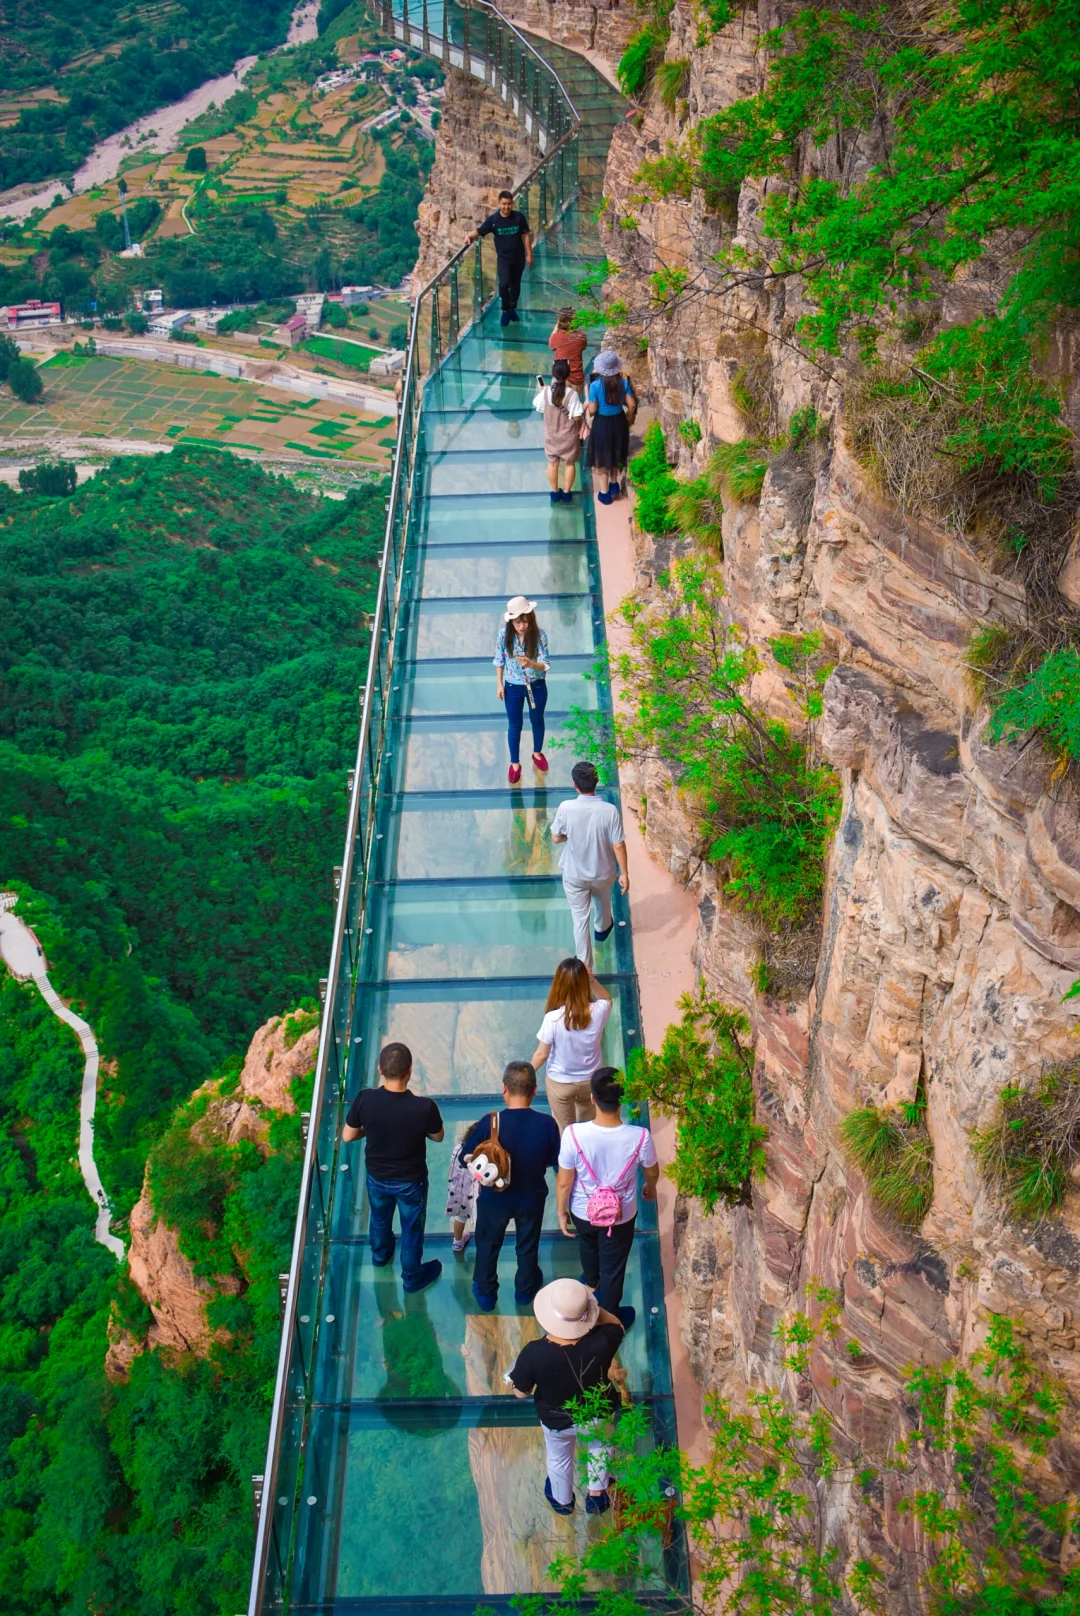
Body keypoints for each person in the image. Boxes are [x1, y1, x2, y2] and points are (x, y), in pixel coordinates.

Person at [507, 1276, 625, 1516]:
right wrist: (591, 1311)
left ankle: (562, 1502)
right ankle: (597, 1496)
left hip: (556, 1419)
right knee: (600, 1447)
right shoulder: (604, 1340)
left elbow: (521, 1393)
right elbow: (617, 1325)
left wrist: (514, 1381)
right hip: (598, 1412)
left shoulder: (534, 1352)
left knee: (559, 1459)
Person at [557, 1067, 659, 1325]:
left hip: (583, 1211)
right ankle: (609, 1318)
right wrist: (651, 1187)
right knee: (614, 1266)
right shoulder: (640, 1137)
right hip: (620, 1216)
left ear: (592, 1098)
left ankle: (591, 1282)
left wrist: (561, 1210)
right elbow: (652, 1171)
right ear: (622, 1099)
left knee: (588, 1244)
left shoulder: (573, 1134)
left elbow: (565, 1181)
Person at [342, 1042, 444, 1294]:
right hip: (411, 1181)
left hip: (377, 1177)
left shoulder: (365, 1099)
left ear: (380, 1069)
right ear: (410, 1071)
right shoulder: (424, 1107)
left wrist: (370, 1128)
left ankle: (380, 1256)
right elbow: (438, 1136)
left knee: (379, 1219)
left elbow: (347, 1135)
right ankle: (411, 1278)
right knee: (411, 1229)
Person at [459, 1060, 561, 1311]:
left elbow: (465, 1158)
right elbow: (554, 1161)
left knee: (487, 1244)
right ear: (534, 1090)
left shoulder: (490, 1123)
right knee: (527, 1246)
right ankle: (525, 1292)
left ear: (504, 1088)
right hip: (531, 1197)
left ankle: (485, 1294)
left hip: (494, 1200)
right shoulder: (547, 1124)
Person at [550, 760, 629, 967]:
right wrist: (625, 874)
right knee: (603, 904)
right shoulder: (609, 810)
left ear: (575, 785)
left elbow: (556, 837)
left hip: (574, 874)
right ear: (597, 781)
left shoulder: (566, 808)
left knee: (580, 919)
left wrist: (570, 835)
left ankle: (585, 965)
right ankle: (602, 932)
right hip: (603, 872)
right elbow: (618, 844)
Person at [531, 956, 612, 1135]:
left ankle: (568, 1161)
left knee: (565, 1131)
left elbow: (541, 1055)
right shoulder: (599, 1011)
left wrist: (526, 1073)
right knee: (586, 1128)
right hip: (590, 1080)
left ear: (559, 984)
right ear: (584, 983)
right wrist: (590, 978)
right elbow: (606, 998)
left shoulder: (552, 1019)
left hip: (560, 1083)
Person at [495, 594, 549, 784]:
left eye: (524, 621)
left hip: (536, 685)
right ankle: (515, 763)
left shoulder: (540, 635)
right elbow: (499, 660)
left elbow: (545, 664)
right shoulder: (504, 636)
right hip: (513, 686)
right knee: (515, 725)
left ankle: (537, 753)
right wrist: (499, 684)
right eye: (518, 622)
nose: (522, 626)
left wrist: (531, 664)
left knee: (537, 720)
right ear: (512, 622)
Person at [466, 189, 533, 328]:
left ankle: (512, 310)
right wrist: (469, 237)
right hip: (504, 259)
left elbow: (525, 235)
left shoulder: (519, 218)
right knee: (503, 284)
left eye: (509, 204)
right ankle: (505, 309)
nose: (506, 207)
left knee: (515, 285)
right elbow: (480, 231)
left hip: (519, 257)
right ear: (499, 203)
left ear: (512, 204)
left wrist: (529, 254)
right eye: (503, 204)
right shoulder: (494, 220)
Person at [584, 348, 636, 504]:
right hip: (619, 421)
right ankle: (614, 484)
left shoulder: (595, 385)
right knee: (615, 452)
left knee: (602, 457)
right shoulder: (623, 382)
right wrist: (629, 416)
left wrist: (588, 399)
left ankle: (605, 493)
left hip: (602, 424)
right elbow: (632, 404)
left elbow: (592, 411)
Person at [533, 358, 584, 504]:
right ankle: (567, 493)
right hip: (568, 436)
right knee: (569, 464)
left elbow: (540, 409)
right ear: (568, 375)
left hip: (551, 435)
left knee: (552, 464)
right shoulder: (572, 394)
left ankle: (555, 493)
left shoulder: (546, 392)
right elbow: (576, 416)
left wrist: (541, 392)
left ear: (553, 375)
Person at [445, 1118, 478, 1253]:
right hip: (476, 1192)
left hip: (459, 1190)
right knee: (480, 1217)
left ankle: (457, 1242)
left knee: (460, 1216)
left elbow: (451, 1167)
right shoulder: (481, 1155)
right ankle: (484, 1244)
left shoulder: (459, 1147)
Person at [548, 306, 588, 391]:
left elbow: (551, 346)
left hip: (560, 378)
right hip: (576, 379)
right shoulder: (581, 336)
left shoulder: (556, 337)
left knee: (556, 403)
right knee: (574, 403)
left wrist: (557, 325)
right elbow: (583, 346)